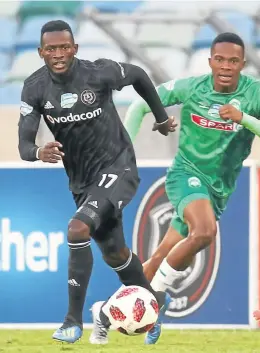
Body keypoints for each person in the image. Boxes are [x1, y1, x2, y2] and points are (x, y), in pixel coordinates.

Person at [90, 32, 260, 345]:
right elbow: (139, 106)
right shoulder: (191, 87)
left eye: (233, 61)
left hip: (219, 189)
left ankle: (104, 312)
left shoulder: (257, 93)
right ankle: (157, 296)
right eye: (220, 59)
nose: (226, 66)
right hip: (187, 175)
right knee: (204, 232)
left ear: (243, 64)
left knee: (161, 255)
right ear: (210, 60)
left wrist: (245, 119)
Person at [18, 20, 177, 344]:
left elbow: (138, 75)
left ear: (75, 49)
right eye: (51, 49)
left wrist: (160, 118)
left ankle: (72, 321)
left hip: (118, 167)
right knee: (116, 255)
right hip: (82, 181)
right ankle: (154, 307)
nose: (59, 54)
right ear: (41, 52)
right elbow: (23, 146)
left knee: (78, 229)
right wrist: (38, 151)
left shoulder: (98, 73)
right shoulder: (34, 88)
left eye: (65, 47)